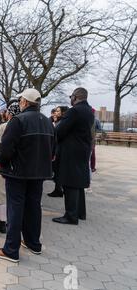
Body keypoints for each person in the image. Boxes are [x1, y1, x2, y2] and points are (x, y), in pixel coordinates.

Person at [0, 88, 54, 263]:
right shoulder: (47, 121)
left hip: (18, 173)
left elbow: (5, 149)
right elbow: (53, 149)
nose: (19, 103)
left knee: (15, 209)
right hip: (39, 173)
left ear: (25, 102)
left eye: (20, 101)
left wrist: (2, 165)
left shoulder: (18, 121)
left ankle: (11, 250)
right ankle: (34, 243)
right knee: (34, 207)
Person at [52, 88, 95, 225]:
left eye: (71, 96)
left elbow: (60, 130)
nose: (70, 99)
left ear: (75, 97)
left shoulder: (74, 111)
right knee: (78, 183)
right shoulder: (89, 110)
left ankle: (71, 216)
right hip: (83, 149)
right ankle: (80, 212)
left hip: (71, 151)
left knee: (69, 182)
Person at [0, 100, 21, 234]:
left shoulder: (3, 127)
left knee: (1, 193)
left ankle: (1, 223)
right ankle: (13, 221)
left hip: (2, 164)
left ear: (10, 113)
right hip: (18, 166)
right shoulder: (24, 125)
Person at [48, 106, 69, 198]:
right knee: (57, 170)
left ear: (63, 113)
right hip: (57, 149)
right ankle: (58, 188)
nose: (55, 113)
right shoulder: (58, 122)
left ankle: (59, 189)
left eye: (57, 111)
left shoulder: (62, 123)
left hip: (59, 150)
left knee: (58, 170)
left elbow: (56, 134)